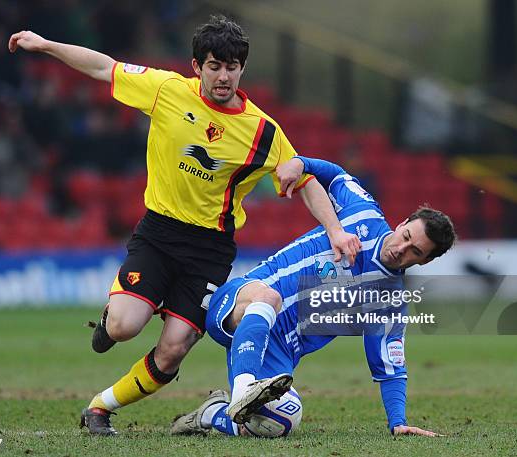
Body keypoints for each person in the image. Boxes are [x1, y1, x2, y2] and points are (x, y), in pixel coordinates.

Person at [8, 16, 361, 436]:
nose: (223, 76)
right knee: (124, 327)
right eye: (214, 66)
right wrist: (46, 44)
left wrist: (337, 231)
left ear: (242, 69)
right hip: (159, 234)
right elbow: (104, 67)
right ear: (197, 66)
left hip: (208, 252)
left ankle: (100, 407)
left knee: (173, 351)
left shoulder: (264, 131)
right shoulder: (166, 90)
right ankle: (112, 317)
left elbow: (303, 180)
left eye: (232, 67)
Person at [171, 155, 456, 437]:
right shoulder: (363, 212)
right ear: (402, 223)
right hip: (243, 298)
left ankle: (212, 413)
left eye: (415, 251)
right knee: (268, 298)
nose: (401, 249)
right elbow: (335, 175)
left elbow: (390, 367)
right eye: (406, 236)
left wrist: (398, 422)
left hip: (278, 350)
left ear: (425, 261)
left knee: (282, 420)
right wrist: (300, 163)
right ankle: (244, 389)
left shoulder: (389, 303)